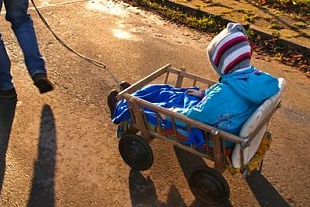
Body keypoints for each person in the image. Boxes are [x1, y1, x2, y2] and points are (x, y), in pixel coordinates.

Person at [109, 23, 280, 146]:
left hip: (209, 133)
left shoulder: (224, 94)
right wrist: (204, 94)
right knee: (166, 91)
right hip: (225, 120)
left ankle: (124, 105)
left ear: (223, 65)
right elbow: (229, 95)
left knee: (156, 107)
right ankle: (135, 94)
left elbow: (197, 116)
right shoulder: (254, 80)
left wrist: (169, 115)